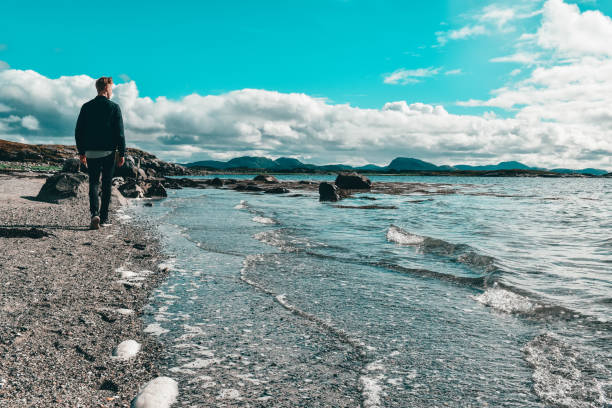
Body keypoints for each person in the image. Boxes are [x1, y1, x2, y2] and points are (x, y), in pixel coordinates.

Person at [75, 76, 126, 230]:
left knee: (93, 183)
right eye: (111, 88)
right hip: (108, 152)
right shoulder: (114, 107)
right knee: (106, 184)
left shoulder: (86, 106)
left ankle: (94, 214)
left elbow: (79, 131)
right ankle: (103, 218)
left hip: (90, 152)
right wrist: (122, 153)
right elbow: (120, 133)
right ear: (106, 88)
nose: (112, 91)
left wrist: (82, 151)